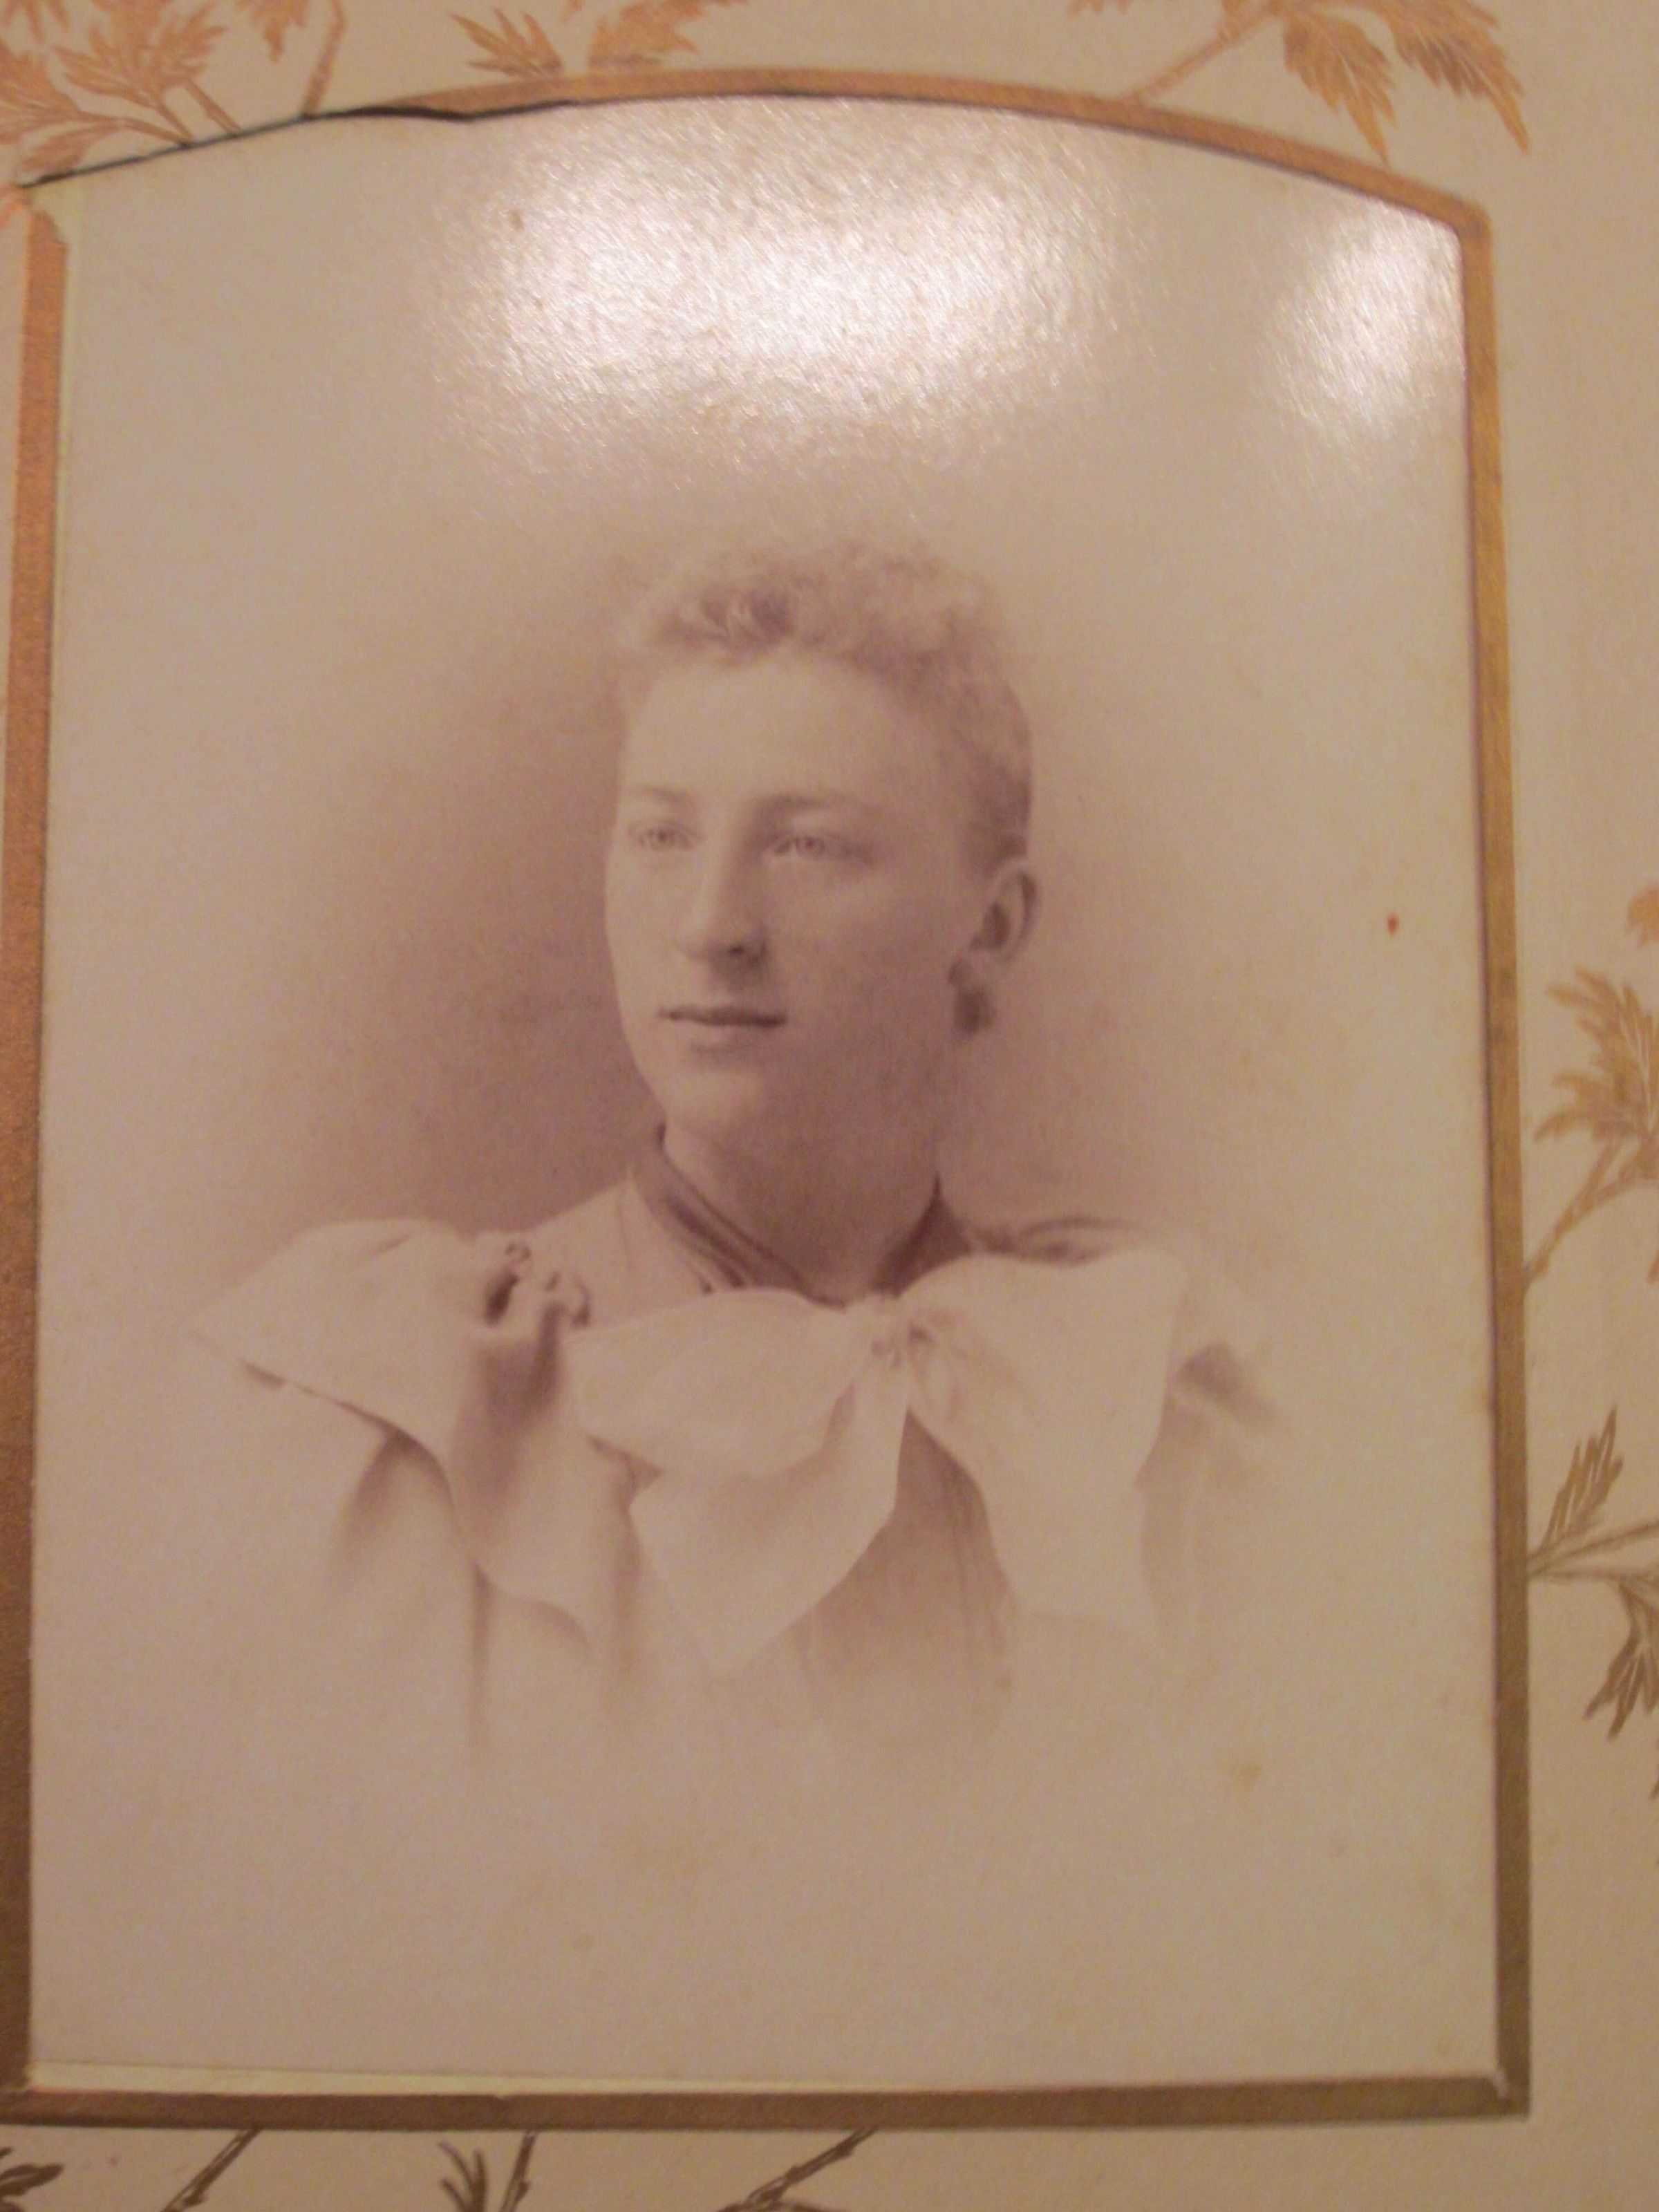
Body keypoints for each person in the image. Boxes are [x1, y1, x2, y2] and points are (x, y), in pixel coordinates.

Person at [186, 541, 1280, 1785]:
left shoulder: (1138, 1381)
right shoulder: (413, 1411)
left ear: (990, 927)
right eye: (660, 835)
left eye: (807, 847)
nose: (710, 926)